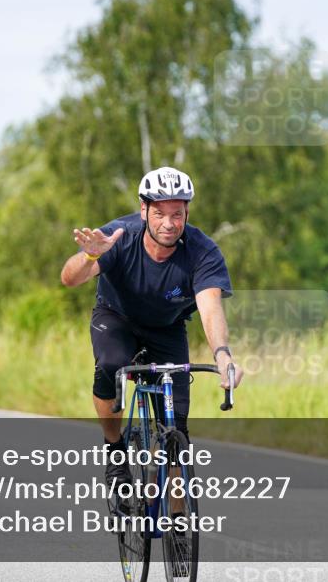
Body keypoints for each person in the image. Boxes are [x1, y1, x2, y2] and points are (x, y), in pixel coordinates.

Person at [60, 166, 244, 490]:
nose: (169, 224)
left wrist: (223, 354)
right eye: (159, 213)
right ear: (144, 209)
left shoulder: (202, 251)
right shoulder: (118, 236)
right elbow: (69, 279)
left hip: (167, 328)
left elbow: (210, 307)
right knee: (110, 366)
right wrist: (90, 256)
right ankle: (115, 450)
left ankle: (176, 524)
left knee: (176, 433)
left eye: (177, 213)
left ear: (187, 212)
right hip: (116, 318)